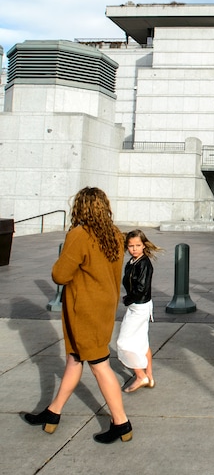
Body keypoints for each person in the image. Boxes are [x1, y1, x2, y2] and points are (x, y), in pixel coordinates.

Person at [23, 187, 133, 444]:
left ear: (80, 207)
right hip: (104, 307)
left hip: (84, 310)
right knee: (74, 361)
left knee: (100, 365)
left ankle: (121, 423)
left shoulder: (80, 234)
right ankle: (53, 413)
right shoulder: (115, 235)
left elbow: (60, 275)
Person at [117, 229, 162, 393]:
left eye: (137, 245)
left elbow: (141, 289)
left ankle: (140, 375)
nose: (134, 249)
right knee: (142, 342)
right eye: (131, 246)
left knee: (123, 342)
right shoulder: (132, 262)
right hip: (138, 305)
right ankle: (149, 376)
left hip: (139, 306)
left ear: (144, 245)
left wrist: (127, 299)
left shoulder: (143, 263)